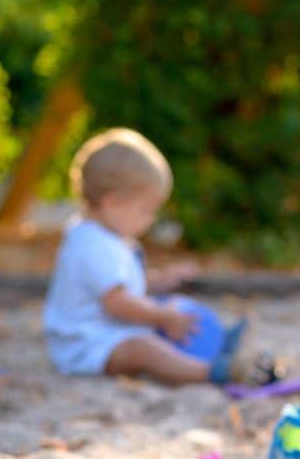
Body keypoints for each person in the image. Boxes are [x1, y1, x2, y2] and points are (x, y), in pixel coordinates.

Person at [42, 127, 253, 384]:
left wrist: (159, 282)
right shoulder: (93, 245)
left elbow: (124, 288)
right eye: (145, 210)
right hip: (87, 344)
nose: (150, 220)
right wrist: (162, 317)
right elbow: (118, 302)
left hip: (109, 331)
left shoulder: (110, 238)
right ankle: (208, 372)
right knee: (144, 348)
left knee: (170, 304)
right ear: (112, 202)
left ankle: (216, 339)